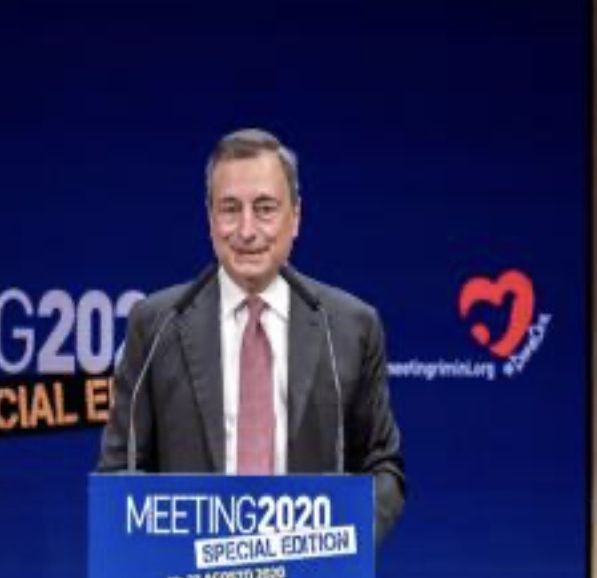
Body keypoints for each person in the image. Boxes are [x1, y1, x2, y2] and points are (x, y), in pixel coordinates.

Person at [97, 128, 406, 540]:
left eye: (264, 208)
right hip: (186, 573)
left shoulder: (351, 327)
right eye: (230, 209)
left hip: (312, 571)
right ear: (210, 219)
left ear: (296, 217)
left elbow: (383, 468)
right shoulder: (157, 324)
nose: (246, 230)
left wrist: (343, 542)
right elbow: (120, 470)